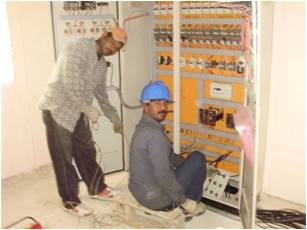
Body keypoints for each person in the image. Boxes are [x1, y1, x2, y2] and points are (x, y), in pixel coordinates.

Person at [39, 27, 127, 217]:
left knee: (86, 150)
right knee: (64, 158)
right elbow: (70, 83)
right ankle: (70, 203)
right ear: (104, 35)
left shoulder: (102, 64)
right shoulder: (77, 47)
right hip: (57, 109)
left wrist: (114, 116)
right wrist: (88, 109)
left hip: (78, 111)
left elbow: (101, 94)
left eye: (118, 48)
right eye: (113, 42)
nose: (113, 48)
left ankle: (97, 188)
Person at [129, 80, 207, 217]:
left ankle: (182, 196)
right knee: (198, 157)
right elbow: (163, 175)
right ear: (145, 105)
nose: (163, 107)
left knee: (192, 161)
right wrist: (184, 201)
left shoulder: (143, 128)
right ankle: (189, 207)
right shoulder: (155, 135)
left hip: (140, 192)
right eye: (157, 102)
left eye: (165, 103)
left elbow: (168, 156)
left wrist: (187, 165)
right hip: (157, 200)